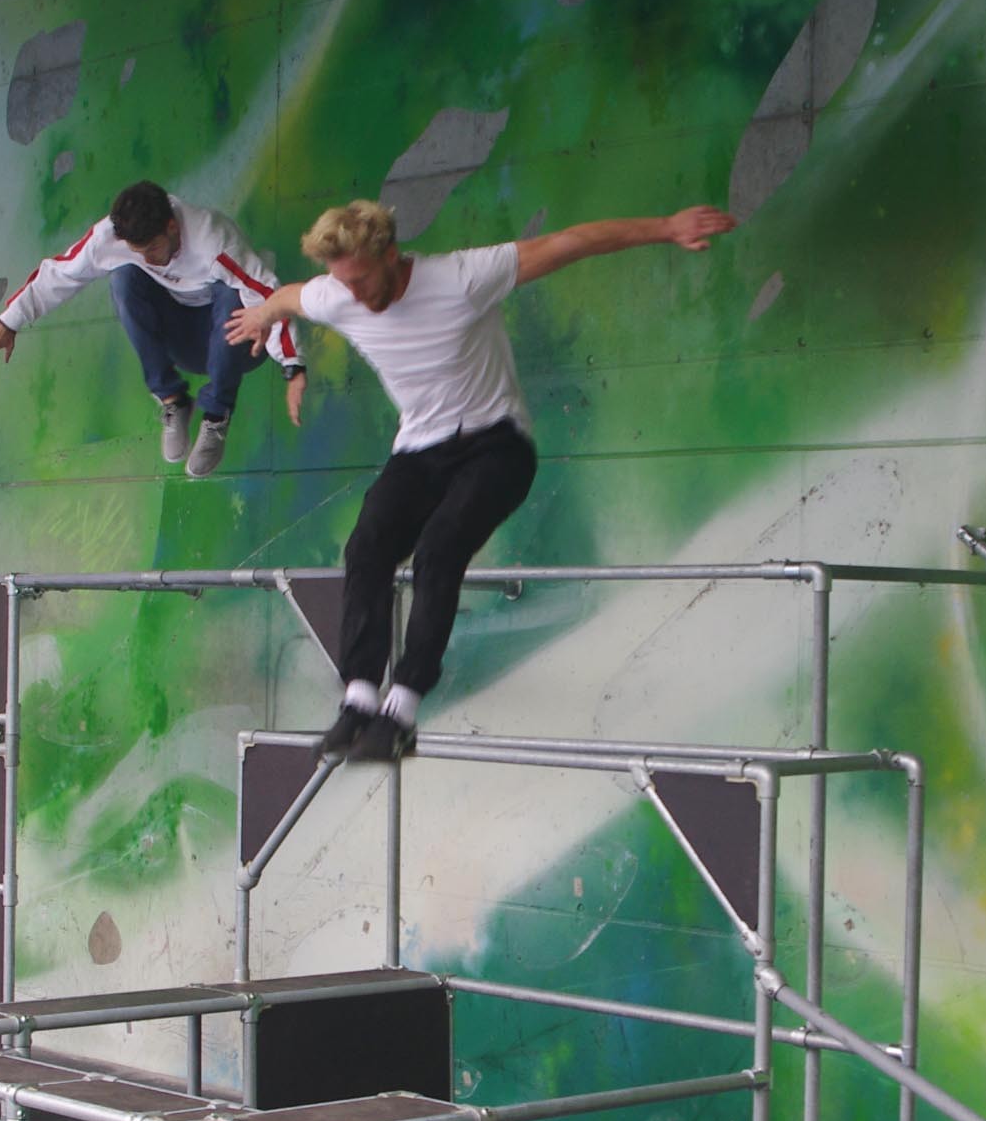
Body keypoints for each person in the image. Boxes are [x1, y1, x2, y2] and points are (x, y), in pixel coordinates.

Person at [223, 196, 734, 761]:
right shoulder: (336, 294)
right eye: (344, 284)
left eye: (364, 280)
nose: (357, 297)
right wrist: (265, 313)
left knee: (439, 549)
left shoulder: (464, 278)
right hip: (420, 449)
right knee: (366, 546)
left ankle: (402, 711)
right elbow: (294, 296)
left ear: (391, 254)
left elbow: (570, 243)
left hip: (497, 446)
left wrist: (665, 224)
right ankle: (359, 700)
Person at [0, 179, 305, 477]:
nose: (150, 258)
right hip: (184, 340)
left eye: (153, 249)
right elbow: (61, 272)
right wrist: (9, 321)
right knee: (125, 277)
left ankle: (216, 416)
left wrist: (292, 366)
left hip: (243, 344)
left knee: (231, 293)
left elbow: (270, 296)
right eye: (138, 251)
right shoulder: (111, 237)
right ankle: (173, 399)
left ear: (172, 227)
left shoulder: (214, 239)